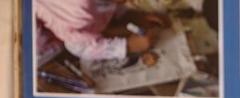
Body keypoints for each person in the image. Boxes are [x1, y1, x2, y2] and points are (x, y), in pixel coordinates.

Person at [35, 0, 169, 62]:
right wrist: (127, 46)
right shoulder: (77, 15)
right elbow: (78, 47)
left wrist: (132, 16)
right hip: (41, 44)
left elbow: (106, 7)